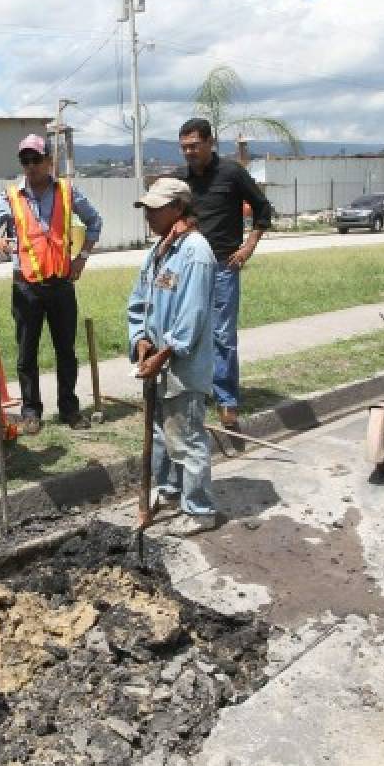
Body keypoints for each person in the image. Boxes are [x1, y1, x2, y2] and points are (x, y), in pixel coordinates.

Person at [0, 133, 103, 435]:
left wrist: (82, 257)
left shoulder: (66, 191)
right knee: (26, 353)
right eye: (25, 160)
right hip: (26, 286)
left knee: (66, 350)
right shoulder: (10, 197)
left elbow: (95, 221)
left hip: (61, 284)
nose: (31, 165)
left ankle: (70, 409)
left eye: (36, 159)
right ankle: (31, 412)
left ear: (49, 160)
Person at [127, 178, 218, 536]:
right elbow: (139, 302)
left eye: (155, 208)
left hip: (183, 367)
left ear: (178, 208)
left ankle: (199, 510)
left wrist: (164, 353)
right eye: (146, 208)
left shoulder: (196, 252)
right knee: (163, 434)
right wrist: (140, 341)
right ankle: (170, 491)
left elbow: (192, 315)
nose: (148, 215)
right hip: (157, 364)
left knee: (186, 437)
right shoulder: (160, 250)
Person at [175, 118, 272, 432]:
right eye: (184, 147)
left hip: (223, 266)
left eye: (194, 146)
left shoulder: (232, 173)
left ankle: (227, 401)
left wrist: (249, 245)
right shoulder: (183, 181)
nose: (188, 152)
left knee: (222, 336)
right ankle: (200, 393)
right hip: (190, 267)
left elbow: (262, 208)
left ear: (209, 142)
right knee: (193, 332)